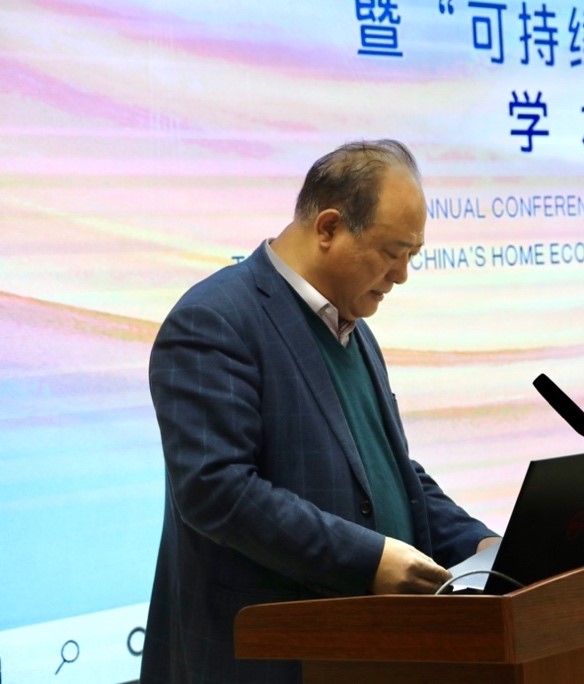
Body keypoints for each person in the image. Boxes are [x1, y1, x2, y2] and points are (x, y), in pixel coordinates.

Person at [140, 140, 499, 683]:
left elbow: (389, 472)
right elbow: (217, 490)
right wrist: (369, 560)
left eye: (413, 255)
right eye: (392, 252)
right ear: (328, 228)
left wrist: (480, 544)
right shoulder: (214, 320)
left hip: (363, 656)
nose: (402, 275)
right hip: (260, 661)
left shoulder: (355, 329)